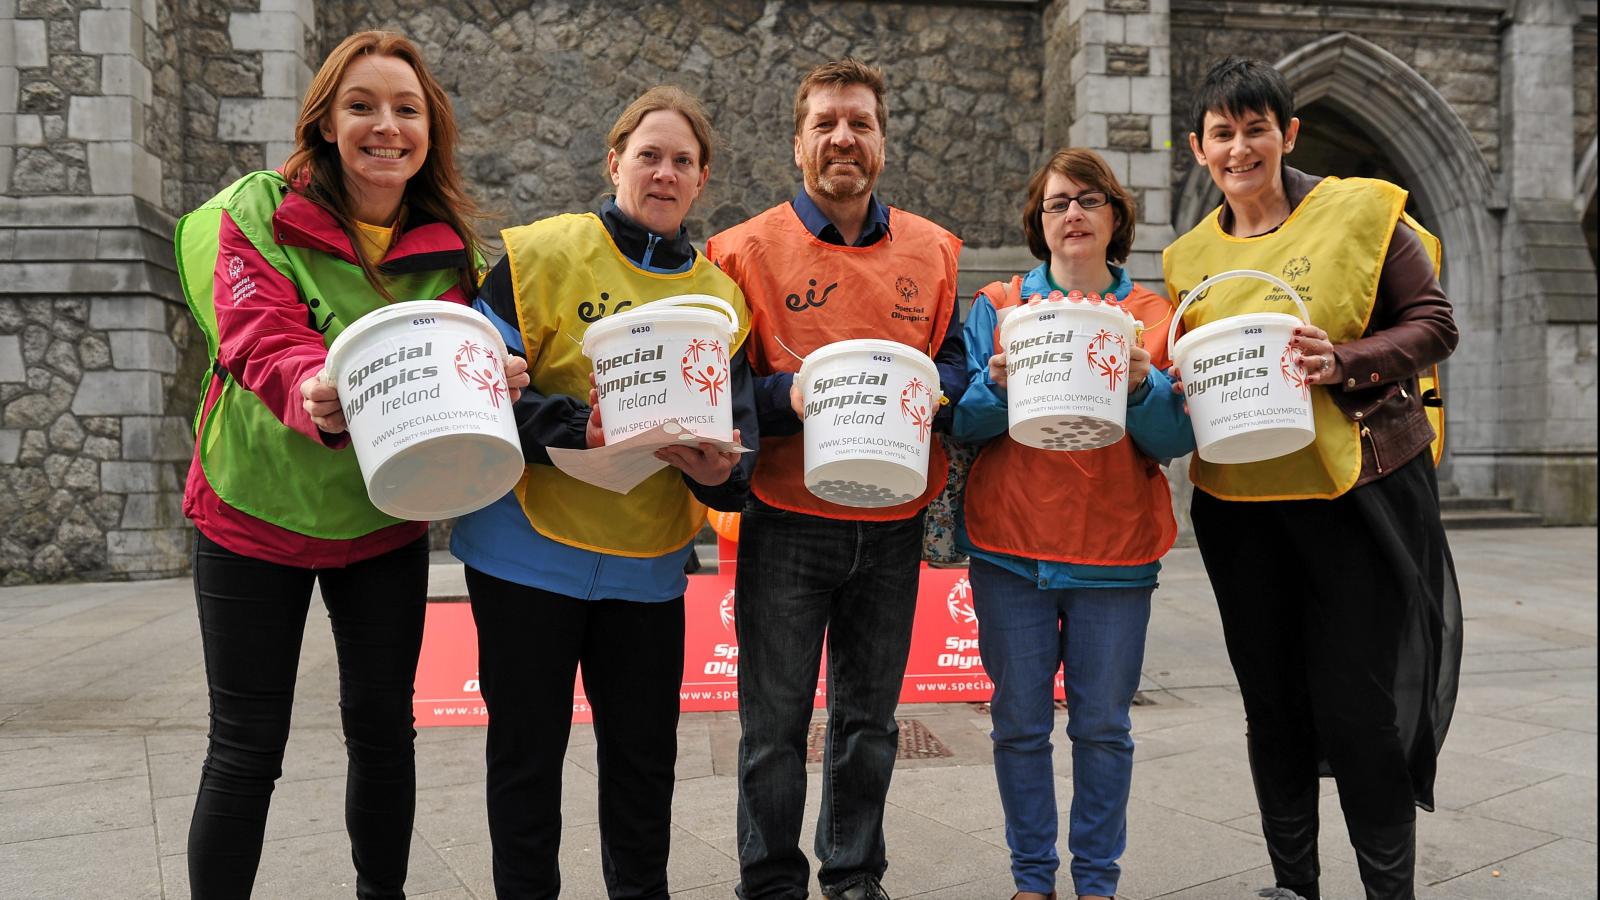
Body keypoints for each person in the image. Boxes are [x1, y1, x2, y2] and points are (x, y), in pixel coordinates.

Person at [174, 31, 527, 899]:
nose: (386, 125)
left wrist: (499, 374)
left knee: (381, 731)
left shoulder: (454, 254)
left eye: (407, 109)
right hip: (254, 510)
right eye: (362, 105)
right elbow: (257, 332)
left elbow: (471, 358)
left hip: (380, 519)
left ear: (429, 132)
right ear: (326, 122)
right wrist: (310, 387)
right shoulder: (249, 210)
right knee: (247, 744)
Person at [1163, 56, 1462, 900]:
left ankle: (1386, 892)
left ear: (1286, 133)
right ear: (1200, 149)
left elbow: (1435, 322)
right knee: (1274, 707)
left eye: (1256, 127)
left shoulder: (1364, 210)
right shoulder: (1188, 258)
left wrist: (1346, 360)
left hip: (1357, 495)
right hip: (1240, 508)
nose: (1240, 147)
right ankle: (1294, 885)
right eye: (1223, 133)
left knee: (1359, 709)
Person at [449, 85, 757, 900]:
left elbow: (740, 451)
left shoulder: (725, 302)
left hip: (646, 569)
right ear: (614, 160)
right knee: (525, 759)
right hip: (523, 556)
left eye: (682, 161)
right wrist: (574, 426)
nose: (664, 173)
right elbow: (479, 391)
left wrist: (725, 475)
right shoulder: (536, 255)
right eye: (648, 155)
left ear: (702, 180)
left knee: (643, 765)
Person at [705, 59, 966, 900]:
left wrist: (945, 388)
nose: (843, 137)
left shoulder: (933, 250)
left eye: (859, 122)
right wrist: (792, 394)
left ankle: (854, 876)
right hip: (785, 519)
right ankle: (771, 881)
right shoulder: (740, 250)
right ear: (798, 144)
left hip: (893, 520)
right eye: (825, 123)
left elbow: (954, 363)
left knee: (867, 726)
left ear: (883, 141)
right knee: (773, 729)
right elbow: (721, 386)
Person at [954, 148, 1194, 900]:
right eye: (1059, 202)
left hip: (1114, 556)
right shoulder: (997, 307)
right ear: (1040, 221)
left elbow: (1174, 441)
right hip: (1009, 550)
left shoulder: (1152, 316)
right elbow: (961, 421)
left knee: (1102, 730)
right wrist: (995, 390)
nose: (1074, 214)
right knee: (1019, 726)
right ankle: (1033, 880)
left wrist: (1143, 384)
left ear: (1116, 218)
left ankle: (1096, 883)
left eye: (1090, 200)